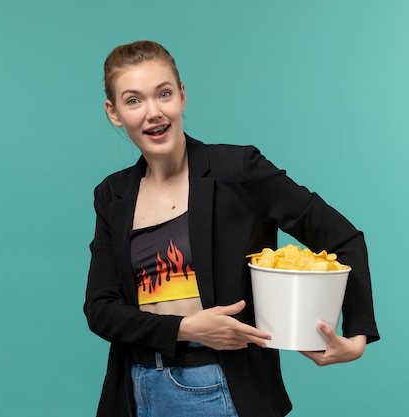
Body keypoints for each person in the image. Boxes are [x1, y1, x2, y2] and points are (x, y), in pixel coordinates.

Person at [84, 40, 380, 417]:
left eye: (164, 94)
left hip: (217, 387)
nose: (153, 113)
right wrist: (186, 328)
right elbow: (101, 308)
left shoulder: (239, 170)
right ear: (114, 113)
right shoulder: (113, 194)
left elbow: (343, 238)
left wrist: (356, 335)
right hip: (134, 389)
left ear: (182, 96)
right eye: (133, 101)